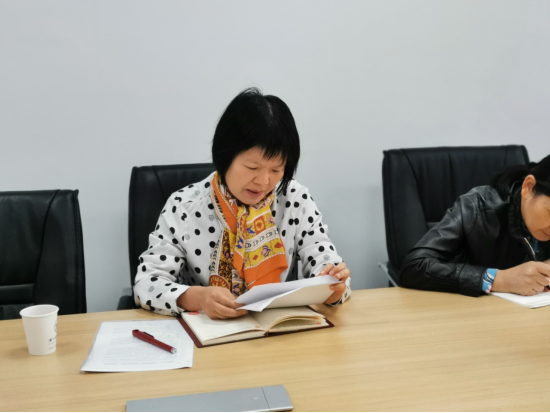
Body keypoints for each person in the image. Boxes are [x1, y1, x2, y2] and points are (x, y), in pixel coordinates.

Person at [134, 88, 352, 319]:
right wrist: (198, 298)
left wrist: (333, 287)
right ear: (225, 156)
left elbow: (329, 267)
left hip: (279, 329)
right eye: (252, 167)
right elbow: (146, 284)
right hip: (208, 331)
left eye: (276, 170)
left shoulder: (295, 199)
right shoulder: (184, 206)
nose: (264, 181)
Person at [400, 155, 550, 297]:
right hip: (469, 309)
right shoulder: (476, 206)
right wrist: (500, 279)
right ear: (528, 187)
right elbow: (414, 267)